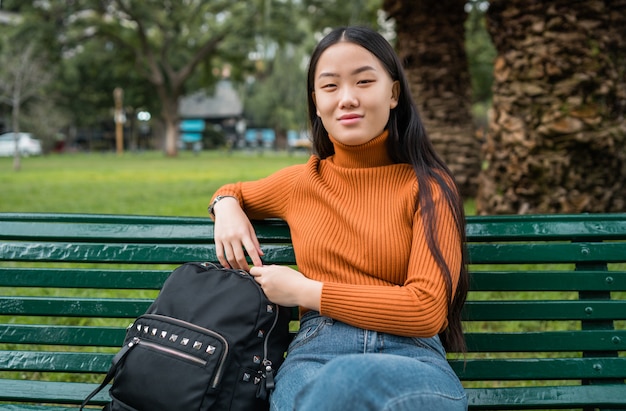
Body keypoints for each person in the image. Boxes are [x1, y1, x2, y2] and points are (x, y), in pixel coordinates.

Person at [209, 26, 469, 411]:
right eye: (330, 87)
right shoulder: (300, 182)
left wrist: (305, 292)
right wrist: (226, 205)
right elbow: (235, 190)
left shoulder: (429, 187)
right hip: (317, 353)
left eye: (364, 81)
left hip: (413, 357)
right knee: (331, 390)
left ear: (393, 93)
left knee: (347, 385)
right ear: (316, 101)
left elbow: (426, 309)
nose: (347, 99)